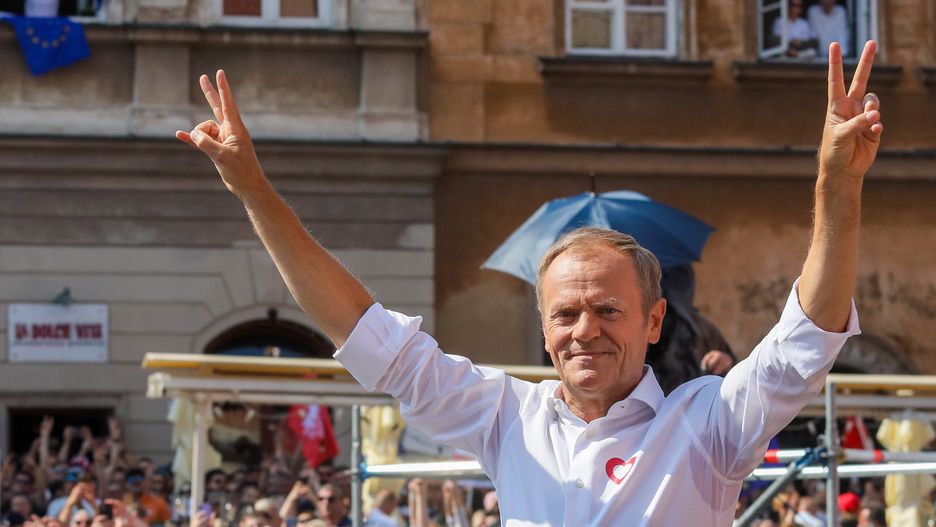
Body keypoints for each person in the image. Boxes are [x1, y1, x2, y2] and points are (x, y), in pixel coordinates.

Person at [176, 39, 884, 526]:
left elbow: (808, 333)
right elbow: (359, 327)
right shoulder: (506, 416)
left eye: (608, 308)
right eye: (567, 311)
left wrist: (836, 184)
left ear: (654, 320)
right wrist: (255, 193)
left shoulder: (706, 424)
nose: (585, 329)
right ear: (544, 330)